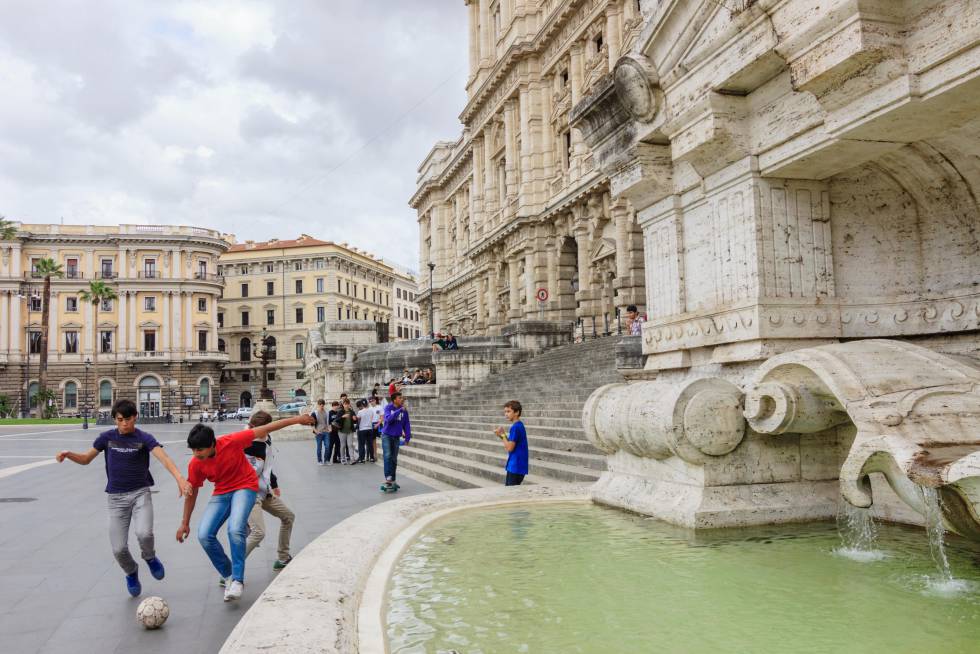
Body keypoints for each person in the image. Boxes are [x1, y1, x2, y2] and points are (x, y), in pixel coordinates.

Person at [55, 399, 190, 597]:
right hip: (116, 499)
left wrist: (180, 479)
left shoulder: (144, 438)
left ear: (135, 417)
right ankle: (131, 572)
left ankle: (150, 557)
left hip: (140, 494)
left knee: (144, 534)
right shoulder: (107, 438)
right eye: (120, 419)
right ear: (114, 420)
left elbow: (164, 458)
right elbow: (85, 459)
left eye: (128, 419)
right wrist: (68, 454)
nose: (125, 423)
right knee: (118, 549)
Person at [176, 413, 314, 602]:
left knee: (235, 529)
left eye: (200, 450)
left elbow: (267, 428)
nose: (196, 454)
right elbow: (192, 494)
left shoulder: (232, 441)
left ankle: (238, 581)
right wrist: (185, 523)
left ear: (212, 445)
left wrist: (297, 420)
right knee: (204, 535)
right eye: (193, 450)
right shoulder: (195, 464)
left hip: (246, 486)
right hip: (222, 492)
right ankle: (228, 574)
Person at [243, 411, 295, 571]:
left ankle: (283, 557)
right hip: (249, 493)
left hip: (264, 490)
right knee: (258, 532)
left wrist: (274, 483)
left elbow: (267, 464)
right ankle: (228, 570)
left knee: (288, 516)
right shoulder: (246, 442)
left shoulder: (266, 439)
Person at [379, 392, 412, 492]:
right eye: (400, 398)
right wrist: (398, 411)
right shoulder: (388, 408)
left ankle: (392, 479)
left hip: (396, 437)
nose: (402, 399)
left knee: (394, 458)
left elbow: (406, 424)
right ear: (394, 400)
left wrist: (407, 437)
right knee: (388, 456)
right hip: (387, 436)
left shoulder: (404, 411)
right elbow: (388, 420)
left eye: (402, 398)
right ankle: (388, 477)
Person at [494, 400, 528, 486]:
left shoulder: (515, 427)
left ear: (517, 412)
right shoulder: (519, 425)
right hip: (517, 466)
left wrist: (502, 435)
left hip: (515, 466)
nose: (506, 414)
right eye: (505, 412)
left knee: (510, 493)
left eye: (508, 411)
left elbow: (510, 448)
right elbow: (511, 444)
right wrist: (502, 435)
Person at [311, 399, 331, 465]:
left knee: (327, 446)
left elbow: (328, 423)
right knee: (319, 448)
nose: (321, 407)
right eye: (320, 405)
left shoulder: (327, 413)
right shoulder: (314, 413)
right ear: (318, 405)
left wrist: (329, 429)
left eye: (322, 405)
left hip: (326, 432)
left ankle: (326, 460)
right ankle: (319, 461)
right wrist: (316, 431)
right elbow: (312, 424)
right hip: (318, 432)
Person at [338, 398, 357, 464]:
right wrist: (342, 417)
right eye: (345, 404)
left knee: (350, 445)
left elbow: (355, 420)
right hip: (342, 431)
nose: (346, 405)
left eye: (347, 404)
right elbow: (337, 420)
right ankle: (342, 459)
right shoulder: (340, 412)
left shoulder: (352, 411)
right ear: (343, 405)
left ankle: (352, 459)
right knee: (343, 445)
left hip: (350, 431)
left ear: (349, 404)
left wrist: (355, 419)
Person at [355, 399, 374, 464]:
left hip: (362, 429)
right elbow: (371, 418)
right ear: (367, 404)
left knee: (361, 444)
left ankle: (361, 459)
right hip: (369, 428)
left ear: (362, 405)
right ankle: (372, 458)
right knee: (370, 444)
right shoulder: (371, 411)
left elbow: (358, 420)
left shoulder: (360, 412)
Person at [369, 396, 384, 462]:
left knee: (383, 439)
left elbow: (382, 417)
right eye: (370, 401)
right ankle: (375, 455)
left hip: (379, 424)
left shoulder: (380, 407)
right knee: (373, 441)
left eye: (372, 401)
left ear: (375, 400)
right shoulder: (369, 408)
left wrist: (378, 424)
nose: (371, 402)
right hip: (371, 425)